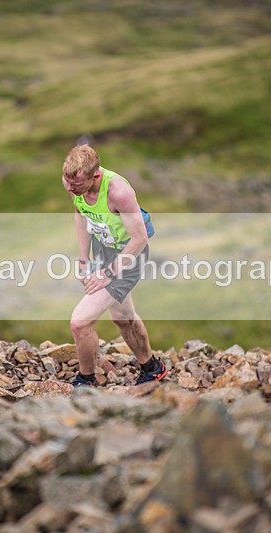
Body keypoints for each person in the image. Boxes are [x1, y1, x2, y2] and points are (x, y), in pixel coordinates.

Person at [61, 145, 167, 387]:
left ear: (94, 176)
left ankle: (86, 380)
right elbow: (81, 212)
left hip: (130, 254)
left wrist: (108, 273)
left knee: (80, 322)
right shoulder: (72, 179)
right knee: (123, 317)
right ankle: (153, 368)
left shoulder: (119, 193)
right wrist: (84, 259)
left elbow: (140, 239)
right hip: (103, 249)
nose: (70, 189)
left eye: (76, 185)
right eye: (67, 183)